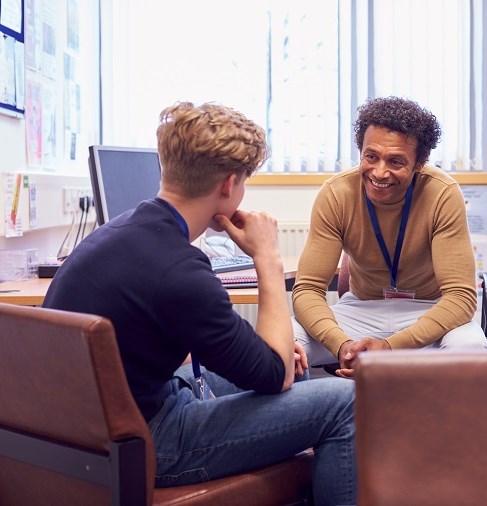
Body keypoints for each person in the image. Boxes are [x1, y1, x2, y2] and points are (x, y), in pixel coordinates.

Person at [43, 101, 356, 505]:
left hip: (90, 426)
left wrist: (275, 361)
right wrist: (268, 259)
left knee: (297, 371)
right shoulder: (180, 270)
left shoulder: (120, 230)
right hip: (147, 441)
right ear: (229, 185)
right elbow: (273, 374)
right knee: (344, 402)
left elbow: (262, 362)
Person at [292, 96, 487, 378]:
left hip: (428, 310)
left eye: (395, 161)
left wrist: (391, 347)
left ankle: (441, 423)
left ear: (419, 163)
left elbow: (460, 297)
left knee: (470, 349)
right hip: (361, 310)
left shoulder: (442, 194)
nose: (379, 172)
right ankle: (315, 418)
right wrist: (343, 346)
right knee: (283, 342)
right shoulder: (337, 194)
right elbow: (308, 290)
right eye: (371, 156)